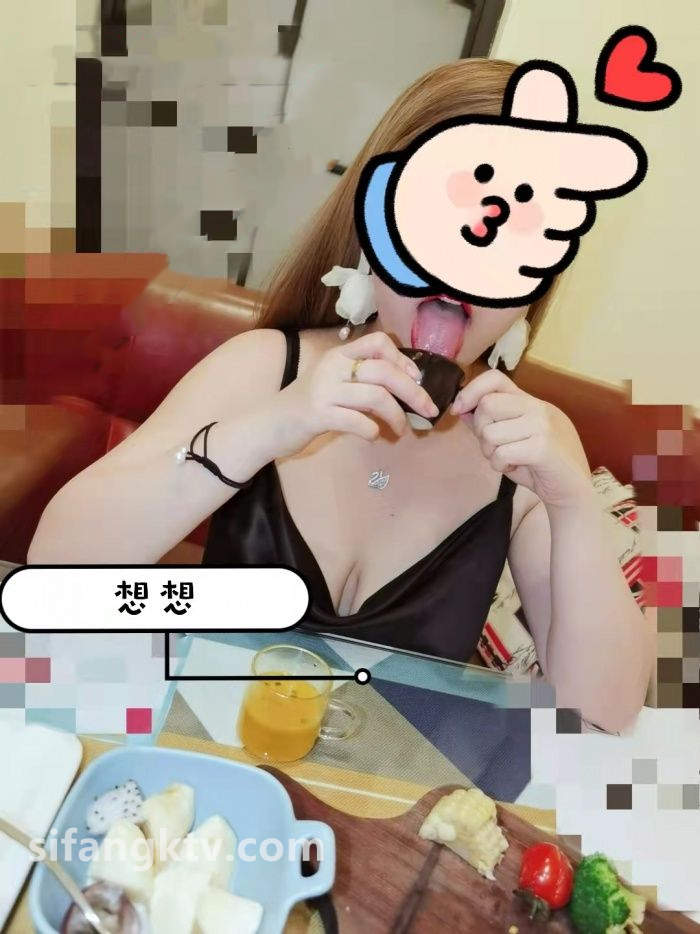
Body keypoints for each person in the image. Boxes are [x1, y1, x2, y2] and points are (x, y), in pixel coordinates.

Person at [28, 59, 653, 733]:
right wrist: (271, 425)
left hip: (390, 794)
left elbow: (605, 713)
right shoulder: (267, 368)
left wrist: (573, 506)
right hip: (200, 764)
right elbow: (59, 565)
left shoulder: (529, 449)